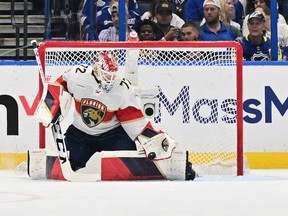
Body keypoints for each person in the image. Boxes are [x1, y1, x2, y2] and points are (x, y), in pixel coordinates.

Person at [33, 51, 196, 181]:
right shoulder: (77, 75)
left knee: (131, 165)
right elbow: (57, 86)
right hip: (80, 134)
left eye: (112, 75)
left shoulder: (122, 88)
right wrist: (50, 107)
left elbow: (135, 124)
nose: (110, 79)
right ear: (96, 69)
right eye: (106, 74)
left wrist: (154, 140)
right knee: (66, 166)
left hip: (113, 136)